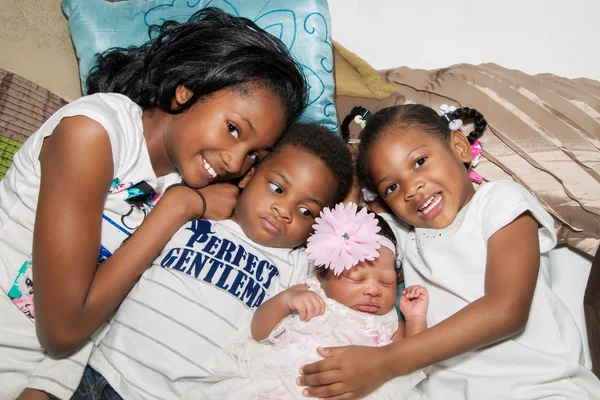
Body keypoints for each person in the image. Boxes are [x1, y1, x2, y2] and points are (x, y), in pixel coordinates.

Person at [0, 8, 307, 400]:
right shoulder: (94, 133)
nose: (234, 160)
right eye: (233, 129)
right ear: (186, 88)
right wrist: (176, 209)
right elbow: (62, 332)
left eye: (254, 154)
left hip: (49, 381)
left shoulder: (188, 179)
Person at [298, 104, 600, 399]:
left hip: (540, 387)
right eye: (391, 187)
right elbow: (344, 222)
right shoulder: (403, 236)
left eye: (419, 162)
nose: (412, 189)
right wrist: (354, 168)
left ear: (459, 146)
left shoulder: (498, 202)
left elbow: (507, 310)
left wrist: (385, 362)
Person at [72, 123, 354, 400]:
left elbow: (350, 231)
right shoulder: (196, 211)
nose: (284, 210)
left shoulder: (296, 264)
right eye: (277, 188)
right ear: (248, 176)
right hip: (105, 372)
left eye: (306, 211)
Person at [203, 203, 429, 400]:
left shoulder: (387, 321)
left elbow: (413, 360)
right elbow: (259, 331)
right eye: (356, 278)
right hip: (284, 383)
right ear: (324, 274)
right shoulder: (310, 292)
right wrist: (286, 300)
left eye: (387, 282)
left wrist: (415, 317)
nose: (373, 290)